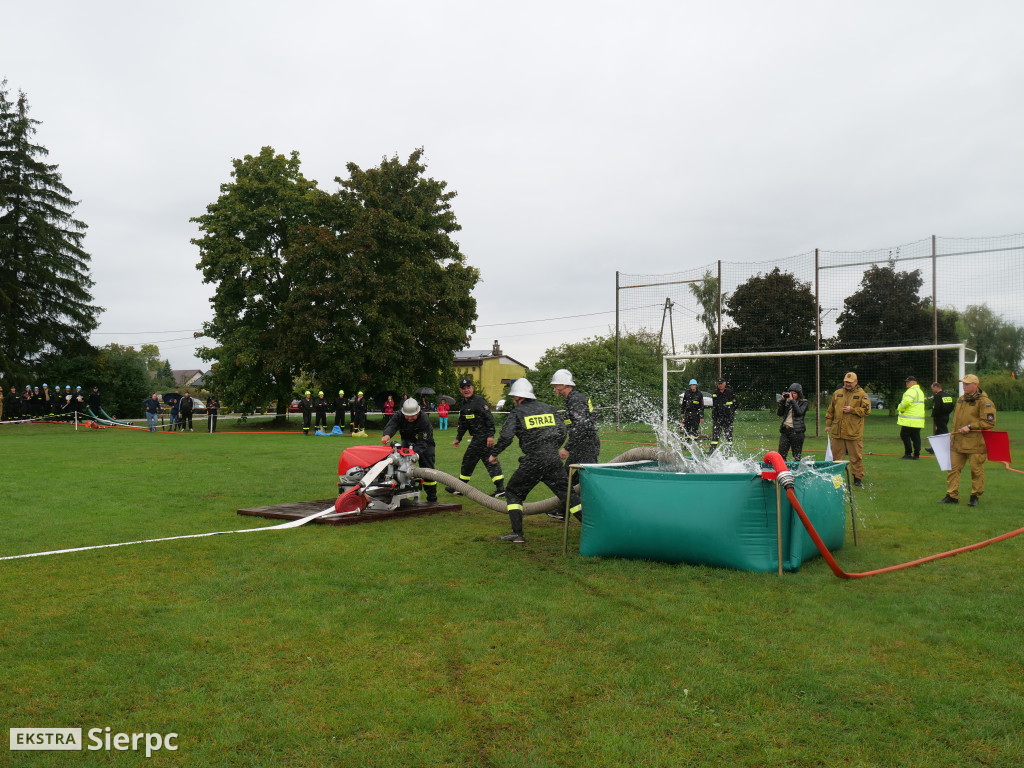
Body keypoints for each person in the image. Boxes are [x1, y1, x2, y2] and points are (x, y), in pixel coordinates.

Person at [488, 379, 582, 544]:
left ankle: (517, 533)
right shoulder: (548, 408)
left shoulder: (518, 412)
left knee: (514, 492)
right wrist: (552, 448)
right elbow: (562, 430)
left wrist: (494, 453)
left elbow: (506, 436)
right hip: (552, 459)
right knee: (568, 494)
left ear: (518, 396)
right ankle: (592, 526)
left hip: (533, 460)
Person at [937, 374, 996, 507]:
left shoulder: (985, 402)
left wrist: (970, 427)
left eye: (967, 384)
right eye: (963, 384)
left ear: (976, 385)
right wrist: (952, 437)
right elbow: (955, 422)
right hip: (958, 442)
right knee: (952, 469)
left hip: (976, 444)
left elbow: (989, 422)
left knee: (976, 470)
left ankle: (975, 495)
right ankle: (952, 495)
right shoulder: (961, 400)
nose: (964, 386)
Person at [449, 377, 506, 499]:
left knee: (468, 460)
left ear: (472, 388)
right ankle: (500, 488)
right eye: (463, 388)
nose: (466, 390)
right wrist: (458, 438)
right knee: (490, 460)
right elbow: (463, 423)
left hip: (483, 437)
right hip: (478, 437)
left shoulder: (479, 401)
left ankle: (461, 488)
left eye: (468, 387)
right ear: (460, 390)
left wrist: (490, 435)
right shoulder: (464, 405)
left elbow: (489, 418)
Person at [381, 398, 438, 503]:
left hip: (425, 445)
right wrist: (387, 434)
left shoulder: (424, 419)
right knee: (401, 468)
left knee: (428, 471)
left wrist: (414, 455)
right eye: (407, 416)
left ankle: (432, 497)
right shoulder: (399, 415)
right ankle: (401, 494)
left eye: (413, 416)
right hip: (407, 443)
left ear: (418, 412)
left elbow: (423, 441)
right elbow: (392, 424)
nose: (410, 418)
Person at [825, 372, 871, 487]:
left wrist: (853, 409)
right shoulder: (837, 393)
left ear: (856, 382)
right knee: (836, 457)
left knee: (856, 457)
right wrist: (828, 425)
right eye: (846, 381)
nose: (848, 384)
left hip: (853, 432)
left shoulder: (862, 394)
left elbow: (867, 410)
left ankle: (857, 478)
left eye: (850, 382)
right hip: (837, 432)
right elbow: (830, 411)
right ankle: (837, 480)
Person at [550, 368, 600, 467]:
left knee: (574, 478)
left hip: (585, 447)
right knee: (570, 477)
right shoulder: (575, 399)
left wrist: (567, 448)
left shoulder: (575, 400)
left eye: (555, 386)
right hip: (582, 445)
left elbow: (581, 425)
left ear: (563, 385)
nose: (554, 390)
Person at [777, 383, 809, 461]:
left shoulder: (804, 402)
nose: (792, 395)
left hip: (797, 431)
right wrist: (782, 401)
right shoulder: (787, 402)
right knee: (781, 455)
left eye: (794, 393)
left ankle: (796, 472)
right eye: (790, 393)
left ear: (799, 394)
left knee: (796, 456)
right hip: (785, 430)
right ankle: (783, 471)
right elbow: (779, 413)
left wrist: (793, 401)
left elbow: (799, 413)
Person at [897, 375, 925, 459]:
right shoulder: (920, 391)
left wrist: (900, 408)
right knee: (916, 437)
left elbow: (906, 401)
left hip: (909, 420)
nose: (907, 383)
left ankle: (908, 453)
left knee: (904, 435)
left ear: (913, 382)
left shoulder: (911, 391)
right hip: (918, 420)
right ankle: (917, 455)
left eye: (908, 382)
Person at [925, 381, 955, 454]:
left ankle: (949, 447)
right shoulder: (947, 395)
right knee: (938, 432)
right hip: (946, 416)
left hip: (939, 417)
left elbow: (937, 407)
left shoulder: (938, 396)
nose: (932, 390)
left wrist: (934, 415)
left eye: (932, 388)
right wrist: (947, 413)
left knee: (944, 432)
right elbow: (952, 406)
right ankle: (934, 449)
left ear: (936, 387)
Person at [709, 377, 737, 454]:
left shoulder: (730, 392)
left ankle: (728, 450)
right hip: (718, 417)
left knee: (728, 434)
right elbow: (714, 405)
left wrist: (730, 411)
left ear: (725, 384)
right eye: (719, 384)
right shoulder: (715, 393)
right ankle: (712, 449)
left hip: (728, 417)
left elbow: (736, 403)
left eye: (721, 384)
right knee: (715, 434)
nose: (720, 385)